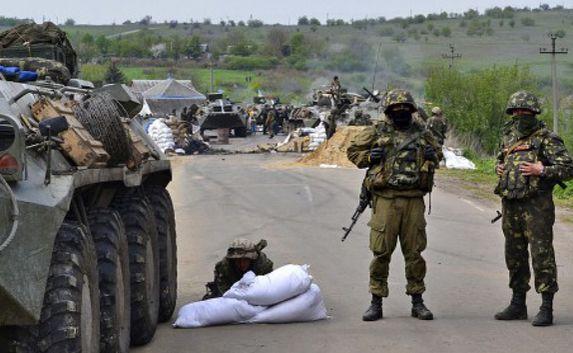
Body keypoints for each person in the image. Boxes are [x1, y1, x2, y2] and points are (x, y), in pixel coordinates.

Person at [347, 89, 441, 322]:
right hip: (385, 200)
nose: (401, 113)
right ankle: (376, 302)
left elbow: (438, 156)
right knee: (381, 253)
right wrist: (370, 157)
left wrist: (433, 154)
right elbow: (353, 152)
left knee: (415, 253)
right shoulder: (377, 131)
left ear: (411, 110)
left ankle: (417, 301)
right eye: (396, 110)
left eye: (405, 109)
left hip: (413, 200)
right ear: (389, 111)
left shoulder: (423, 133)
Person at [494, 91, 573, 326]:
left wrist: (543, 170)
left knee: (541, 255)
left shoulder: (548, 138)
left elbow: (568, 168)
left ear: (534, 112)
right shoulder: (509, 136)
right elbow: (502, 159)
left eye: (525, 112)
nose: (520, 115)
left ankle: (546, 306)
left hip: (537, 205)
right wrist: (499, 168)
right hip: (511, 204)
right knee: (514, 255)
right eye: (516, 111)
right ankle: (518, 303)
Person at [203, 238, 273, 300]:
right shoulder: (224, 268)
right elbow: (224, 292)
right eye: (238, 261)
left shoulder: (263, 266)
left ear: (252, 259)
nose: (242, 264)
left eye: (245, 260)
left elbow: (268, 287)